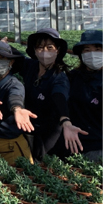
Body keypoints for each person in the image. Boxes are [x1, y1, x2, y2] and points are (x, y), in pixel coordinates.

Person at [0, 41, 36, 165]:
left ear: (11, 62)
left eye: (2, 58)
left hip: (11, 147)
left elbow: (15, 98)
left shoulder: (14, 85)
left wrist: (17, 109)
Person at [21, 29, 71, 160]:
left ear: (57, 50)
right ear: (34, 50)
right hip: (28, 126)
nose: (44, 52)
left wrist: (65, 119)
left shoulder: (59, 77)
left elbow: (59, 96)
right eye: (40, 47)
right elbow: (15, 57)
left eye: (49, 47)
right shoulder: (30, 67)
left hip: (49, 131)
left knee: (42, 160)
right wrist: (2, 46)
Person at [54, 30, 102, 161]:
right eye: (87, 50)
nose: (92, 54)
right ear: (81, 54)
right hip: (70, 142)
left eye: (98, 49)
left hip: (97, 147)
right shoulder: (73, 77)